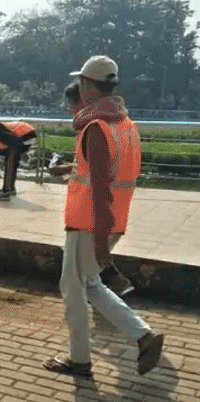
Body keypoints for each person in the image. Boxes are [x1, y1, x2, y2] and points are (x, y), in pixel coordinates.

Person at [44, 55, 163, 378]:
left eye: (81, 83)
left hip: (89, 224)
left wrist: (99, 243)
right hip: (113, 220)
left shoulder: (95, 128)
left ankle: (82, 358)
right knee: (91, 285)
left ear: (87, 86)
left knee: (73, 288)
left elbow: (99, 187)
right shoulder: (126, 126)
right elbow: (109, 173)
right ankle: (143, 336)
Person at [51, 81, 134, 297]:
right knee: (88, 265)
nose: (71, 109)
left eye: (73, 103)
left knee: (83, 270)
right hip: (113, 212)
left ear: (86, 99)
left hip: (93, 214)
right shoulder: (122, 126)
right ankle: (114, 288)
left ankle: (134, 326)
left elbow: (98, 177)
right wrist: (68, 168)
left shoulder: (96, 127)